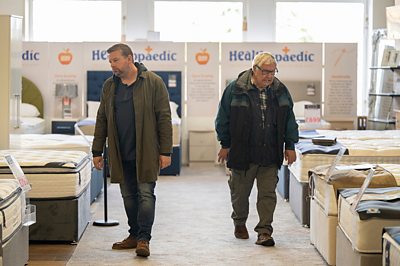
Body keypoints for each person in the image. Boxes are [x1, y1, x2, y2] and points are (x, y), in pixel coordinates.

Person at [92, 43, 172, 257]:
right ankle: (134, 235)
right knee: (128, 196)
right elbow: (102, 119)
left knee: (146, 194)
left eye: (115, 60)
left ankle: (144, 239)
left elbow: (164, 118)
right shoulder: (110, 86)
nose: (112, 65)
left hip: (146, 151)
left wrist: (166, 151)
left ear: (130, 59)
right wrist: (97, 150)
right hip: (120, 151)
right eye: (110, 61)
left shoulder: (153, 82)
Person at [215, 52, 299, 247]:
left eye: (273, 71)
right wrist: (225, 144)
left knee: (268, 194)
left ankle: (264, 231)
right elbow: (222, 119)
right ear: (255, 70)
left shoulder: (280, 91)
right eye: (266, 72)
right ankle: (239, 222)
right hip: (243, 153)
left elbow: (289, 120)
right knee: (239, 193)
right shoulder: (235, 89)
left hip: (270, 152)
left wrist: (291, 145)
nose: (270, 76)